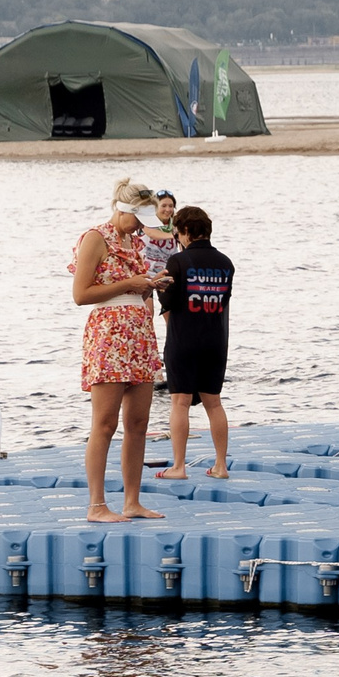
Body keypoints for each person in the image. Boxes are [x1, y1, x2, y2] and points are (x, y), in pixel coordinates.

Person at [73, 178, 165, 523]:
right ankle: (96, 505)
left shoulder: (135, 241)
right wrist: (131, 284)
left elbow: (136, 287)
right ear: (123, 209)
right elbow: (81, 294)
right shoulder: (96, 237)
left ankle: (132, 501)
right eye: (139, 218)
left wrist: (151, 287)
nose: (142, 226)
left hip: (138, 333)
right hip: (109, 334)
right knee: (105, 422)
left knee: (138, 422)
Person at [154, 205, 235, 482]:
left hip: (184, 339)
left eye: (178, 233)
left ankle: (179, 466)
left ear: (186, 231)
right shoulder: (226, 263)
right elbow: (222, 302)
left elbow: (166, 302)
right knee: (214, 403)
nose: (177, 238)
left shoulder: (177, 262)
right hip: (216, 340)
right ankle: (221, 465)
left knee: (179, 402)